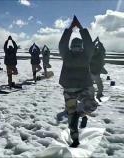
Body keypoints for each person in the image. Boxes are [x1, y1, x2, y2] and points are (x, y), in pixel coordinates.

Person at [59, 16, 98, 147]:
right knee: (71, 115)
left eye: (78, 46)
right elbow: (62, 44)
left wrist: (81, 29)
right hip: (69, 89)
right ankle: (75, 139)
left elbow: (88, 44)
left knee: (90, 106)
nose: (76, 48)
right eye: (74, 46)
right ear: (71, 47)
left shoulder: (86, 55)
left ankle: (80, 114)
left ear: (81, 47)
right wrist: (70, 29)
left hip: (84, 88)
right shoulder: (66, 55)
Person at [90, 37, 106, 101]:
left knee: (92, 85)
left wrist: (96, 42)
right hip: (94, 72)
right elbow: (102, 50)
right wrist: (99, 43)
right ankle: (98, 94)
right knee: (99, 85)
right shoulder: (98, 54)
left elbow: (90, 47)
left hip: (92, 72)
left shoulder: (91, 53)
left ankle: (94, 95)